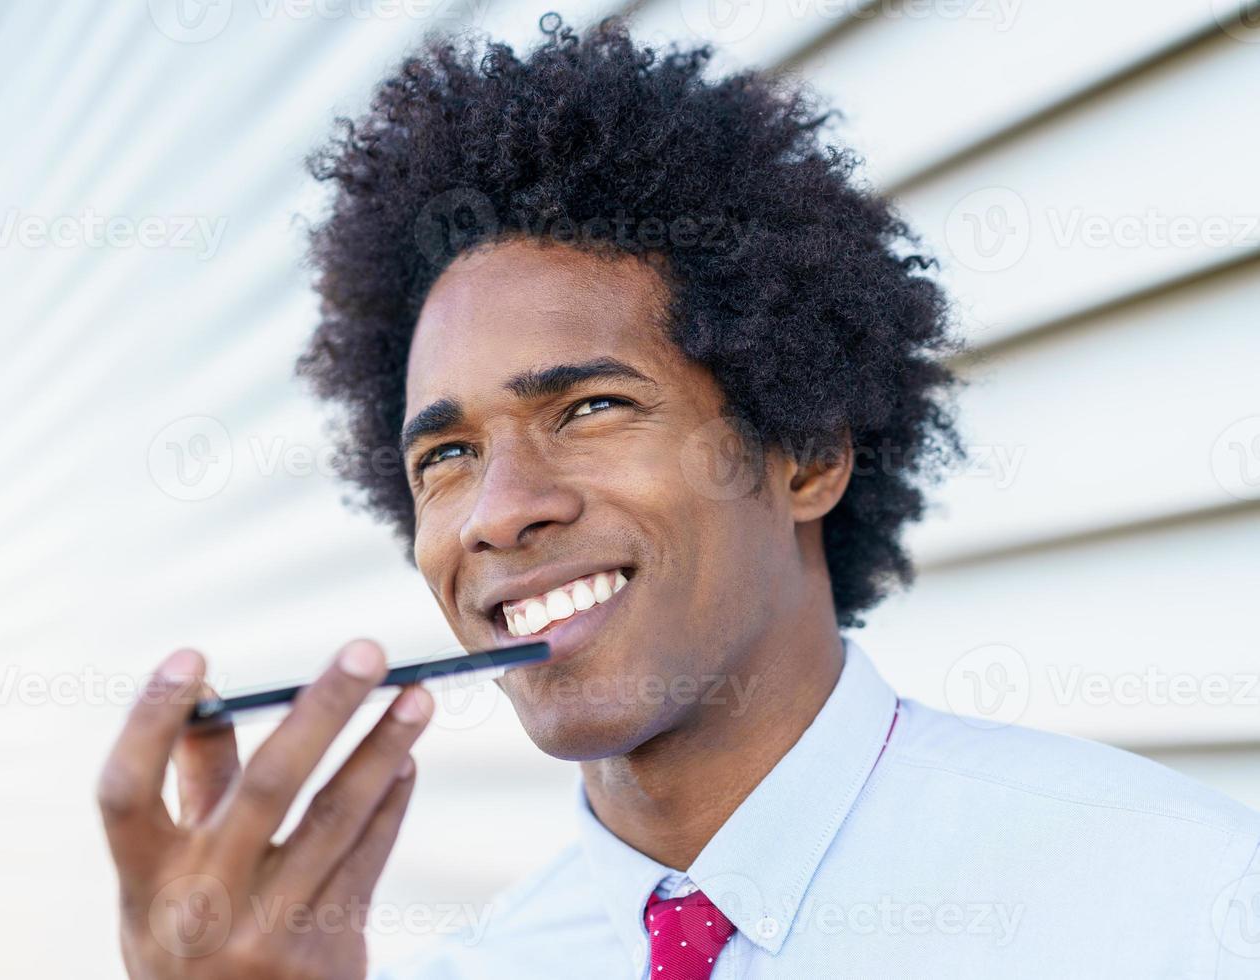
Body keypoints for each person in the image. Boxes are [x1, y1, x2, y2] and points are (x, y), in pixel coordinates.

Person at [97, 16, 1260, 978]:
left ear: (803, 450)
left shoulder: (1184, 904)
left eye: (590, 407)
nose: (499, 511)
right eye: (444, 455)